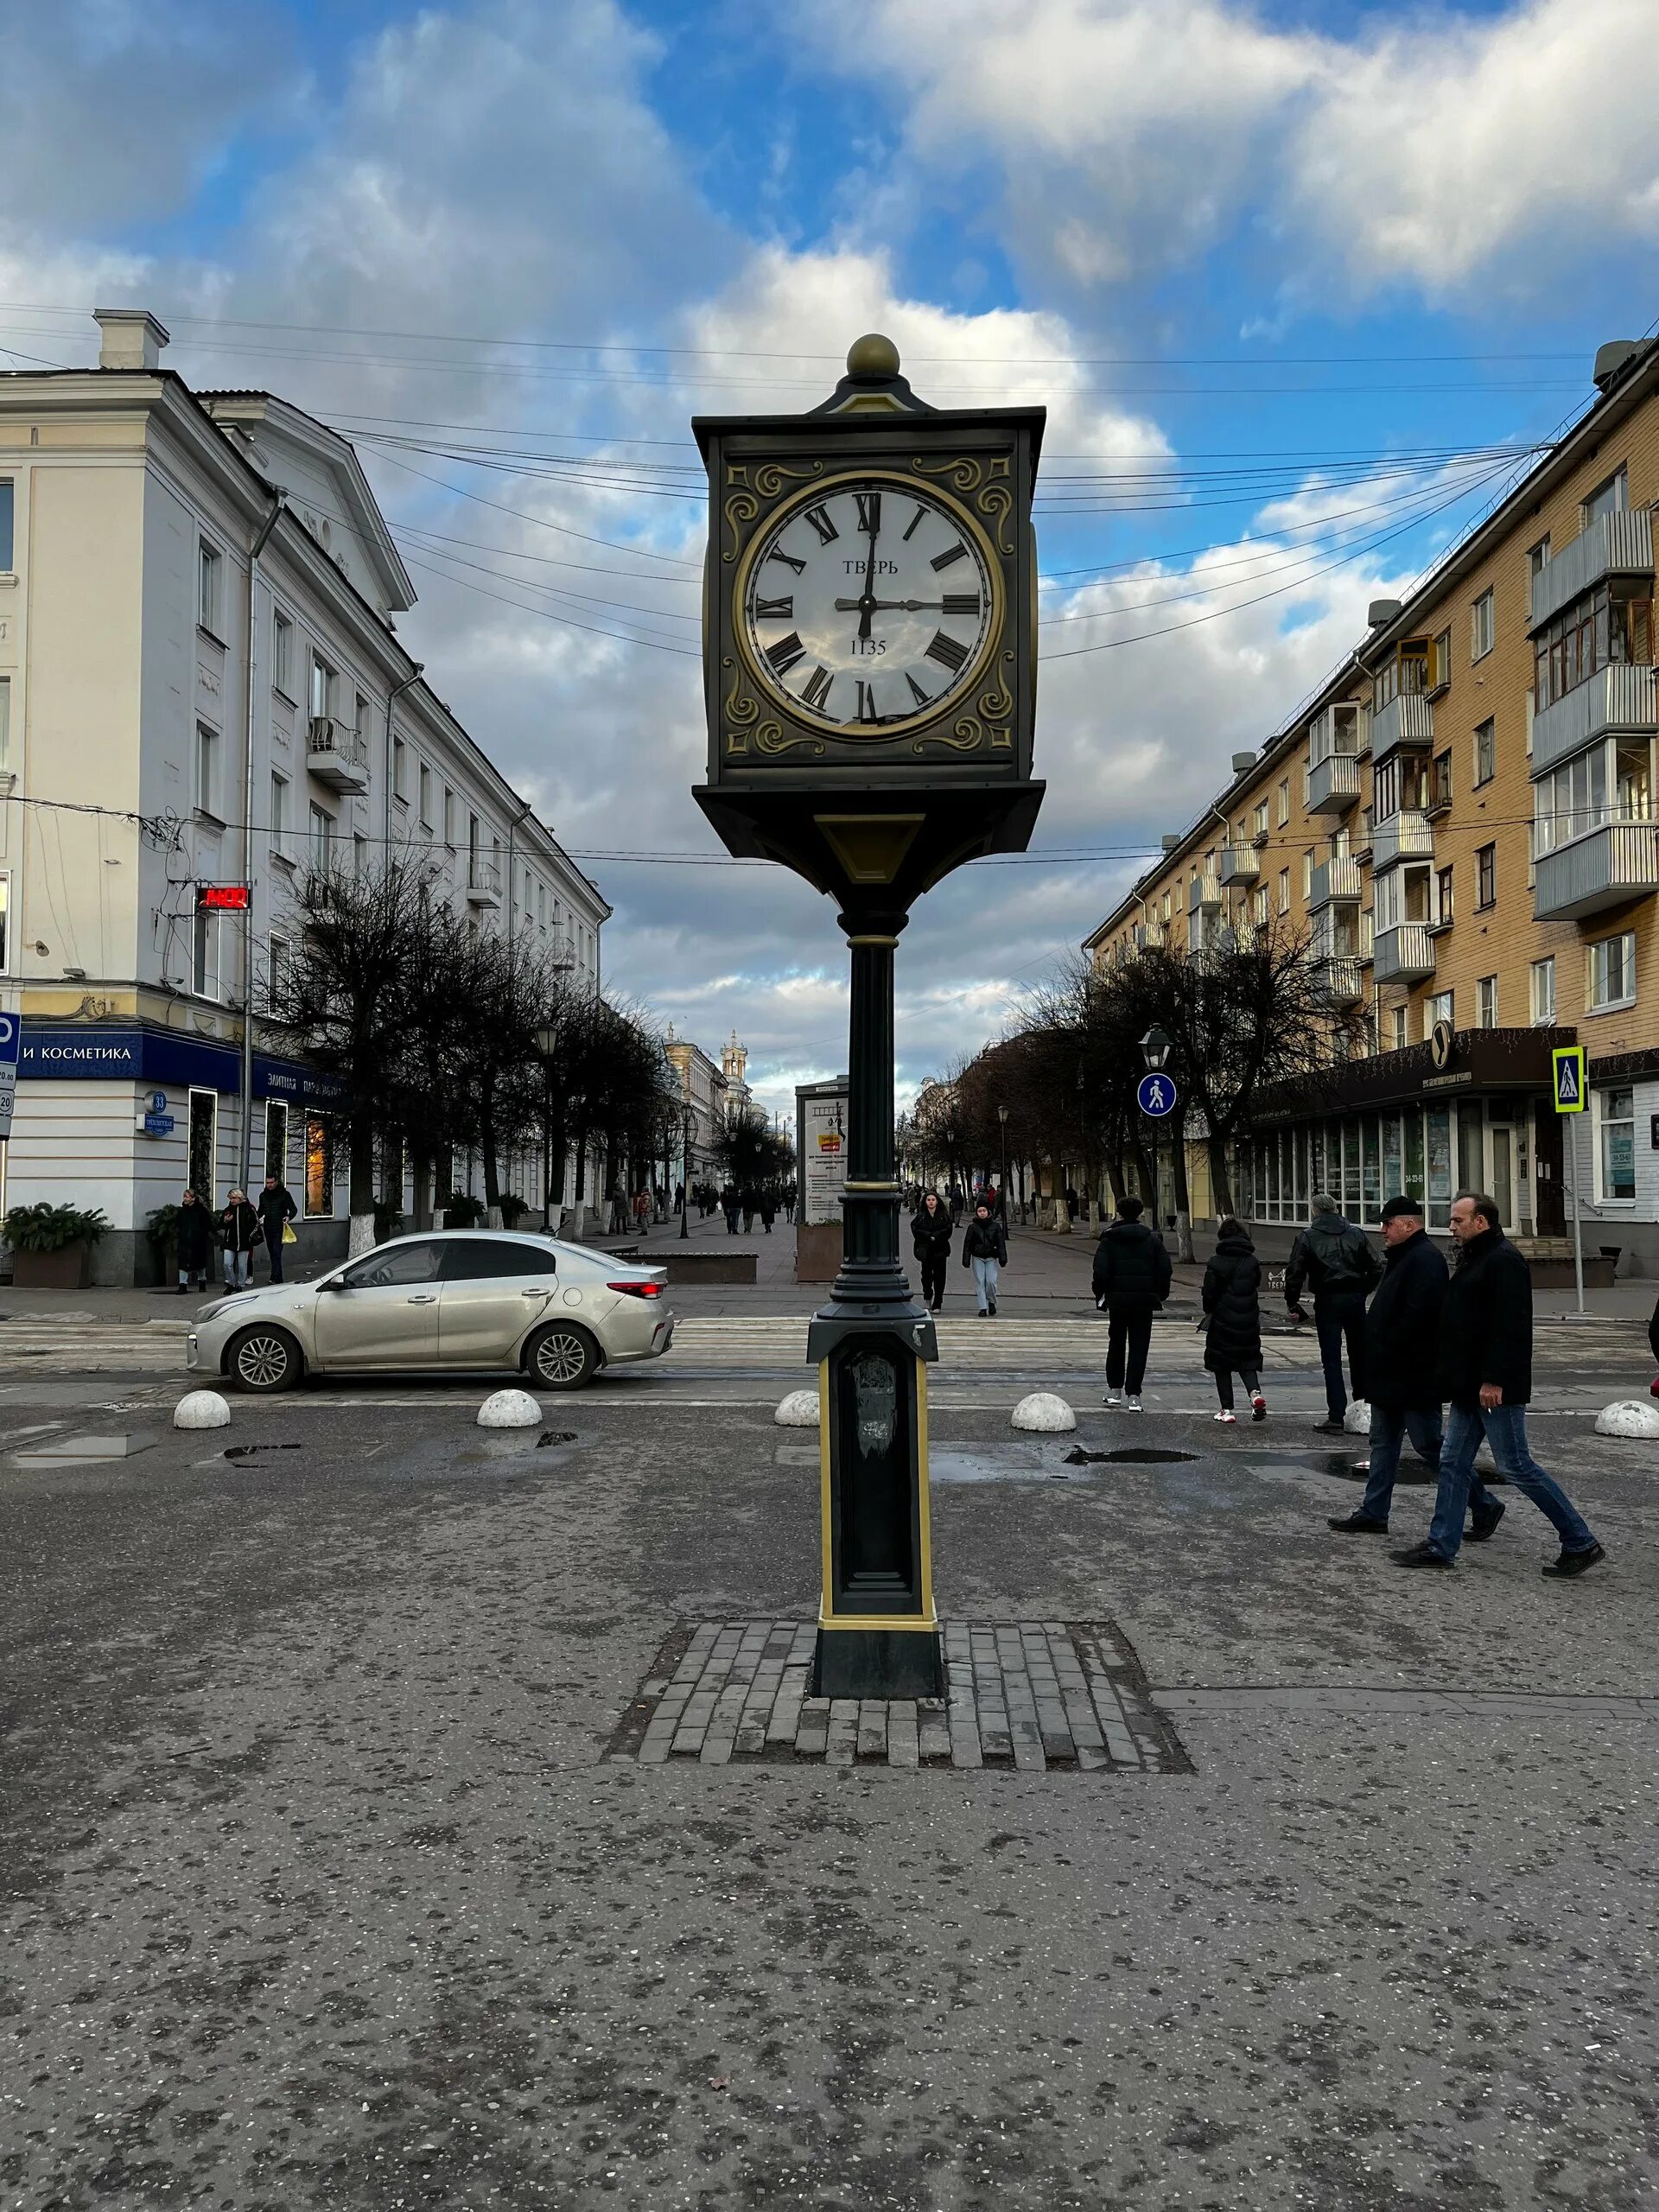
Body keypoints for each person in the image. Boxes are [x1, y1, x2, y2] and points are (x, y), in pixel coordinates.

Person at [1394, 1192, 1605, 1575]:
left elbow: (1510, 1328)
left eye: (1458, 1221)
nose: (1452, 1227)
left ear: (1481, 1221)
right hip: (1468, 1385)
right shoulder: (1477, 1256)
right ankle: (1441, 1546)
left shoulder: (1504, 1260)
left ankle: (1580, 1540)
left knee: (1515, 1465)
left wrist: (1494, 1380)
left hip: (1492, 1387)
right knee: (1453, 1462)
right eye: (1453, 1221)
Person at [1329, 1194, 1502, 1541]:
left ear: (1409, 1225)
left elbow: (1423, 1320)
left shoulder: (1425, 1259)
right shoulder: (1404, 1256)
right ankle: (1374, 1512)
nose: (1383, 1231)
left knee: (1430, 1446)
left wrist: (1387, 1348)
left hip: (1414, 1376)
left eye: (1388, 1224)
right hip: (1389, 1375)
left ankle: (1483, 1503)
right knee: (1383, 1442)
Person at [1286, 1192, 1382, 1432]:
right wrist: (1364, 1290)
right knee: (1360, 1356)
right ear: (1336, 1209)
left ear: (1315, 1211)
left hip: (1327, 1300)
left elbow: (1295, 1272)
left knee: (1332, 1359)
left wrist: (1293, 1302)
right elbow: (1376, 1266)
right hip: (1355, 1299)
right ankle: (1364, 1411)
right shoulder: (1356, 1233)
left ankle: (1336, 1415)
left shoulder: (1308, 1236)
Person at [1091, 1194, 1172, 1412]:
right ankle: (1134, 1395)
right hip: (1144, 1301)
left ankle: (1114, 1391)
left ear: (1118, 1213)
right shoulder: (1152, 1239)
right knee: (1139, 1347)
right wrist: (1159, 1294)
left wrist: (1101, 1294)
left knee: (1116, 1343)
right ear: (1140, 1214)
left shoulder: (1109, 1239)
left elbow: (1100, 1271)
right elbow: (1165, 1269)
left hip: (1117, 1301)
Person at [1202, 1217, 1266, 1423]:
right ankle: (1255, 1394)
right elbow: (1256, 1283)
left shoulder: (1215, 1262)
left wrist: (1209, 1311)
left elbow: (1209, 1293)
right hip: (1248, 1319)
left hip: (1222, 1319)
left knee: (1222, 1363)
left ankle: (1226, 1410)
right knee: (1248, 1360)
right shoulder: (1252, 1261)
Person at [961, 1198, 1007, 1317]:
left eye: (984, 1211)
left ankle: (991, 1302)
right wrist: (966, 1259)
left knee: (991, 1281)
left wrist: (1003, 1258)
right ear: (977, 1213)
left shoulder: (995, 1226)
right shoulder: (972, 1227)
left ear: (988, 1212)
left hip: (991, 1257)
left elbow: (1001, 1243)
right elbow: (968, 1244)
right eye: (979, 1211)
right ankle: (983, 1308)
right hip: (977, 1257)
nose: (982, 1213)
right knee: (980, 1281)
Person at [912, 1190, 954, 1313]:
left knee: (940, 1277)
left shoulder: (943, 1215)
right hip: (926, 1250)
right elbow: (915, 1228)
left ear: (937, 1201)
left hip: (940, 1249)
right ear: (925, 1202)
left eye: (933, 1200)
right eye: (928, 1200)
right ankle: (927, 1297)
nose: (931, 1202)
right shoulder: (921, 1216)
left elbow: (948, 1230)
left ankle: (938, 1302)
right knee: (926, 1276)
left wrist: (936, 1235)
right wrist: (927, 1235)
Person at [256, 1172, 297, 1283]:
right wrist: (254, 1218)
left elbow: (294, 1209)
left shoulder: (284, 1194)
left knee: (276, 1252)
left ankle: (274, 1277)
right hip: (268, 1228)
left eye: (271, 1182)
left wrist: (289, 1217)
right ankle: (278, 1278)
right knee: (273, 1254)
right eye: (267, 1182)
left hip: (280, 1228)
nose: (269, 1185)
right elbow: (260, 1211)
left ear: (276, 1182)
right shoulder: (263, 1195)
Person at [217, 1187, 260, 1290]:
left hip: (244, 1242)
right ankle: (231, 1283)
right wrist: (225, 1221)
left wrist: (250, 1236)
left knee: (242, 1266)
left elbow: (256, 1223)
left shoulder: (248, 1209)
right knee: (227, 1264)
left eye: (234, 1198)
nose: (232, 1200)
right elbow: (221, 1225)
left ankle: (240, 1285)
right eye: (231, 1198)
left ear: (240, 1198)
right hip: (230, 1241)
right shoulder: (228, 1210)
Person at [174, 1187, 212, 1294]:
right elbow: (177, 1224)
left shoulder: (201, 1210)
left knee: (199, 1263)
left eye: (187, 1197)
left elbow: (207, 1224)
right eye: (184, 1196)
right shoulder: (182, 1211)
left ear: (193, 1198)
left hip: (198, 1241)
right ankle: (183, 1285)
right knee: (183, 1263)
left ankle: (202, 1281)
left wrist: (200, 1234)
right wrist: (179, 1233)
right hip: (184, 1241)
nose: (185, 1199)